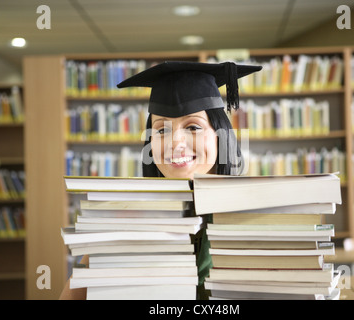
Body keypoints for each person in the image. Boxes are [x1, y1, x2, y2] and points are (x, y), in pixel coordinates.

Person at [59, 61, 261, 300]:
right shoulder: (123, 219)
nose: (175, 142)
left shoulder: (257, 216)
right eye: (161, 130)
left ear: (221, 135)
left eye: (193, 127)